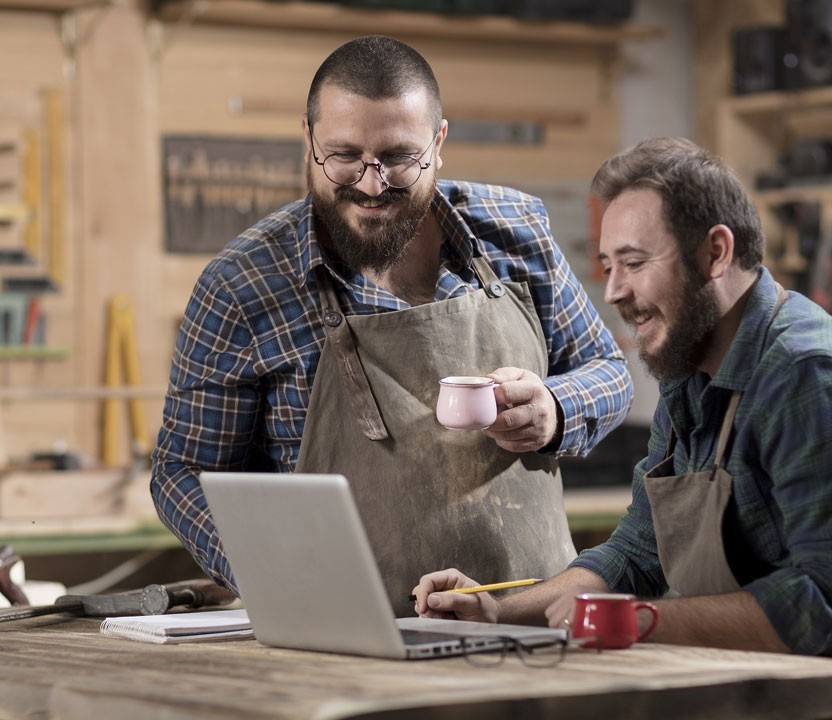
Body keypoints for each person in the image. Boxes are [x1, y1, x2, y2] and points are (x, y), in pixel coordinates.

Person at [414, 137, 832, 719]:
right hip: (766, 687)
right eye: (609, 267)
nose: (615, 292)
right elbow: (638, 551)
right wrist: (499, 615)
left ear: (716, 253)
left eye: (634, 263)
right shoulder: (691, 373)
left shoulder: (811, 375)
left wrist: (637, 622)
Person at [152, 35, 633, 615]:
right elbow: (183, 472)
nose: (372, 184)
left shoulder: (516, 231)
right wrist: (271, 568)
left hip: (527, 619)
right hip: (343, 631)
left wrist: (556, 408)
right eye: (345, 156)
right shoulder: (242, 286)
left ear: (439, 142)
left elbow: (610, 372)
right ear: (308, 140)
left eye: (399, 157)